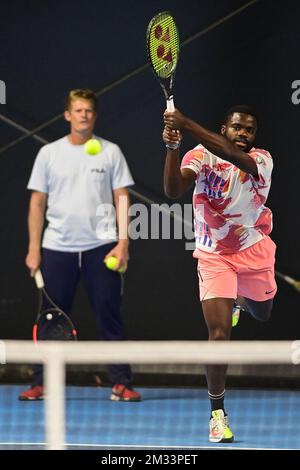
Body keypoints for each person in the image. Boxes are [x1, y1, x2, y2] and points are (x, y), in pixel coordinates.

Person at [162, 105, 277, 442]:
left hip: (254, 250)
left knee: (264, 312)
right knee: (218, 335)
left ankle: (243, 300)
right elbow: (172, 190)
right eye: (237, 128)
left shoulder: (262, 161)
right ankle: (217, 414)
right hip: (214, 255)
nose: (243, 134)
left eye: (249, 130)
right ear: (224, 127)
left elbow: (228, 153)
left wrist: (186, 123)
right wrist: (172, 148)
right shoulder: (199, 155)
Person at [19, 88, 141, 402]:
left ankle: (120, 382)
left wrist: (123, 243)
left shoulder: (110, 152)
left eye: (88, 110)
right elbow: (37, 203)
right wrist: (34, 247)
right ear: (67, 115)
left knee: (109, 315)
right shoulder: (49, 154)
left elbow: (122, 198)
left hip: (101, 248)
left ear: (94, 116)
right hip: (57, 247)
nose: (83, 115)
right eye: (78, 110)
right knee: (49, 320)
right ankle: (41, 382)